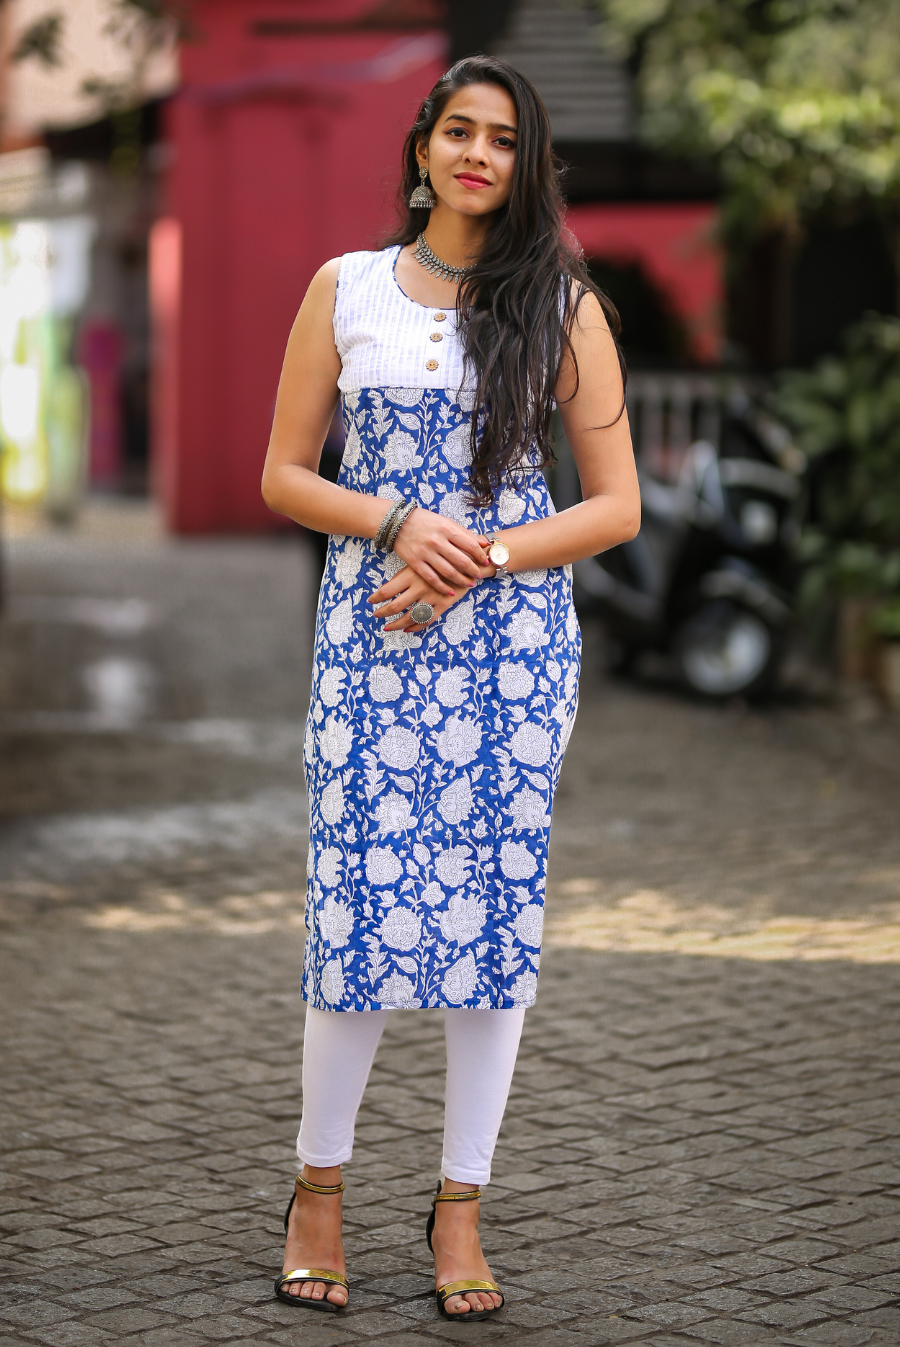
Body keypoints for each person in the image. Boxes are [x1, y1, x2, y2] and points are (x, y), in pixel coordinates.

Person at [261, 54, 639, 1320]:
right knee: (356, 912)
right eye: (460, 130)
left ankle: (461, 1206)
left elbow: (616, 507)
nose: (480, 153)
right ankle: (318, 1190)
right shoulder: (347, 287)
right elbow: (283, 474)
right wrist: (396, 523)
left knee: (492, 921)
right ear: (423, 145)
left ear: (529, 164)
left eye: (505, 139)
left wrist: (476, 560)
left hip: (509, 646)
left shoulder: (563, 306)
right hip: (373, 630)